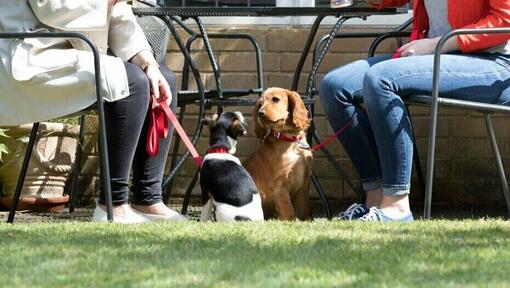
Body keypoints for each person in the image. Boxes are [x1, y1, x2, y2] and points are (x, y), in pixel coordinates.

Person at [320, 0, 510, 221]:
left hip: (492, 62)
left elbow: (505, 20)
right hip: (436, 56)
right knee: (334, 87)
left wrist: (434, 45)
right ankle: (375, 198)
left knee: (381, 79)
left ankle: (397, 205)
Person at [0, 0, 185, 223]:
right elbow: (49, 8)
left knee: (162, 78)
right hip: (30, 55)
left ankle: (147, 199)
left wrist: (147, 62)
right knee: (132, 82)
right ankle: (113, 205)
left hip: (71, 52)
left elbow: (116, 15)